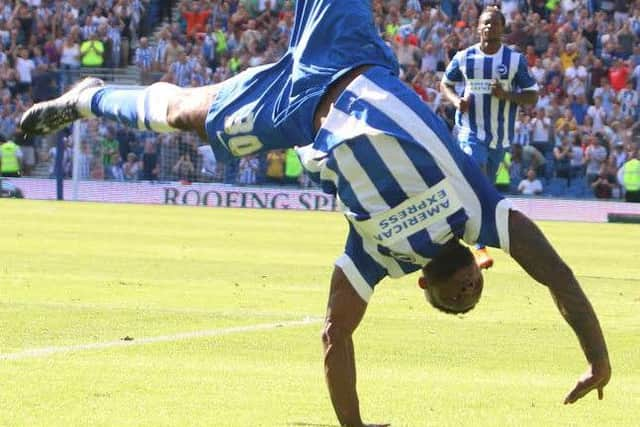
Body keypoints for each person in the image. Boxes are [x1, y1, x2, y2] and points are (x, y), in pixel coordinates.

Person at [20, 1, 611, 426]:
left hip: (292, 113)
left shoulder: (379, 255)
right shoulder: (478, 207)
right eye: (473, 295)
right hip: (345, 50)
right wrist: (597, 358)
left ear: (424, 283)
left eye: (451, 304)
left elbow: (337, 335)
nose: (464, 298)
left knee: (184, 116)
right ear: (480, 266)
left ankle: (85, 98)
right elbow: (556, 276)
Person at [440, 6, 539, 269]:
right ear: (477, 27)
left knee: (485, 188)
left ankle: (463, 229)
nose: (489, 28)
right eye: (485, 23)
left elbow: (532, 95)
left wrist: (508, 96)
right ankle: (479, 246)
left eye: (494, 24)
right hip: (470, 131)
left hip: (501, 138)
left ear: (502, 29)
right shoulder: (464, 57)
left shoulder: (515, 61)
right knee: (476, 174)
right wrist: (456, 100)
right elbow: (445, 83)